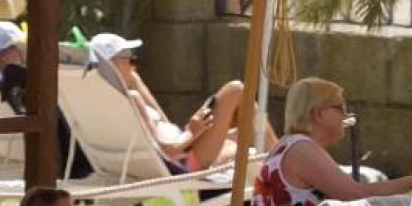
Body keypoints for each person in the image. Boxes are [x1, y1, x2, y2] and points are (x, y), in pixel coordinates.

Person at [80, 77, 412, 206]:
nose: (346, 116)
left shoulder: (291, 147)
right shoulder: (302, 149)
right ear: (317, 113)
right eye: (340, 108)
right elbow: (354, 193)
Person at [89, 32, 278, 171]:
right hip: (185, 158)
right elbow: (167, 151)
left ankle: (281, 157)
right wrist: (192, 132)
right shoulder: (131, 100)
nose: (132, 64)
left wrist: (132, 78)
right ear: (112, 64)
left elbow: (162, 121)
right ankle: (283, 160)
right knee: (236, 90)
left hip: (185, 147)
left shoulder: (107, 102)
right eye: (128, 58)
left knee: (246, 126)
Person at [0, 20, 93, 179]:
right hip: (74, 163)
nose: (27, 52)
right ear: (6, 55)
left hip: (21, 156)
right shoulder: (23, 86)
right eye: (21, 47)